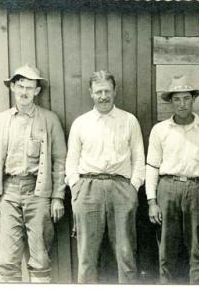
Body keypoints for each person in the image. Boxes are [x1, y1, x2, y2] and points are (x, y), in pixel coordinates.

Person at [0, 64, 67, 282]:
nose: (24, 92)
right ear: (12, 87)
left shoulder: (49, 120)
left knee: (40, 258)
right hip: (8, 193)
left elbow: (60, 161)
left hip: (38, 194)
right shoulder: (2, 121)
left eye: (29, 87)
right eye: (20, 86)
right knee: (8, 261)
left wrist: (58, 196)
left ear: (37, 91)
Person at [65, 70, 145, 283]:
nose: (103, 96)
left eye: (107, 91)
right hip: (88, 188)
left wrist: (132, 189)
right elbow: (71, 162)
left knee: (126, 253)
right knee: (86, 256)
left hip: (121, 188)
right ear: (91, 93)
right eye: (98, 91)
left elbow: (139, 159)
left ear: (114, 91)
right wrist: (77, 189)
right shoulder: (81, 123)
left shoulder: (129, 121)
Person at [145, 75, 199, 283]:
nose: (182, 104)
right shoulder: (160, 130)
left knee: (197, 247)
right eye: (177, 99)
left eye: (186, 98)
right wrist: (152, 201)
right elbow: (151, 167)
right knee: (166, 248)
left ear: (193, 99)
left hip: (197, 189)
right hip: (167, 189)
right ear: (171, 102)